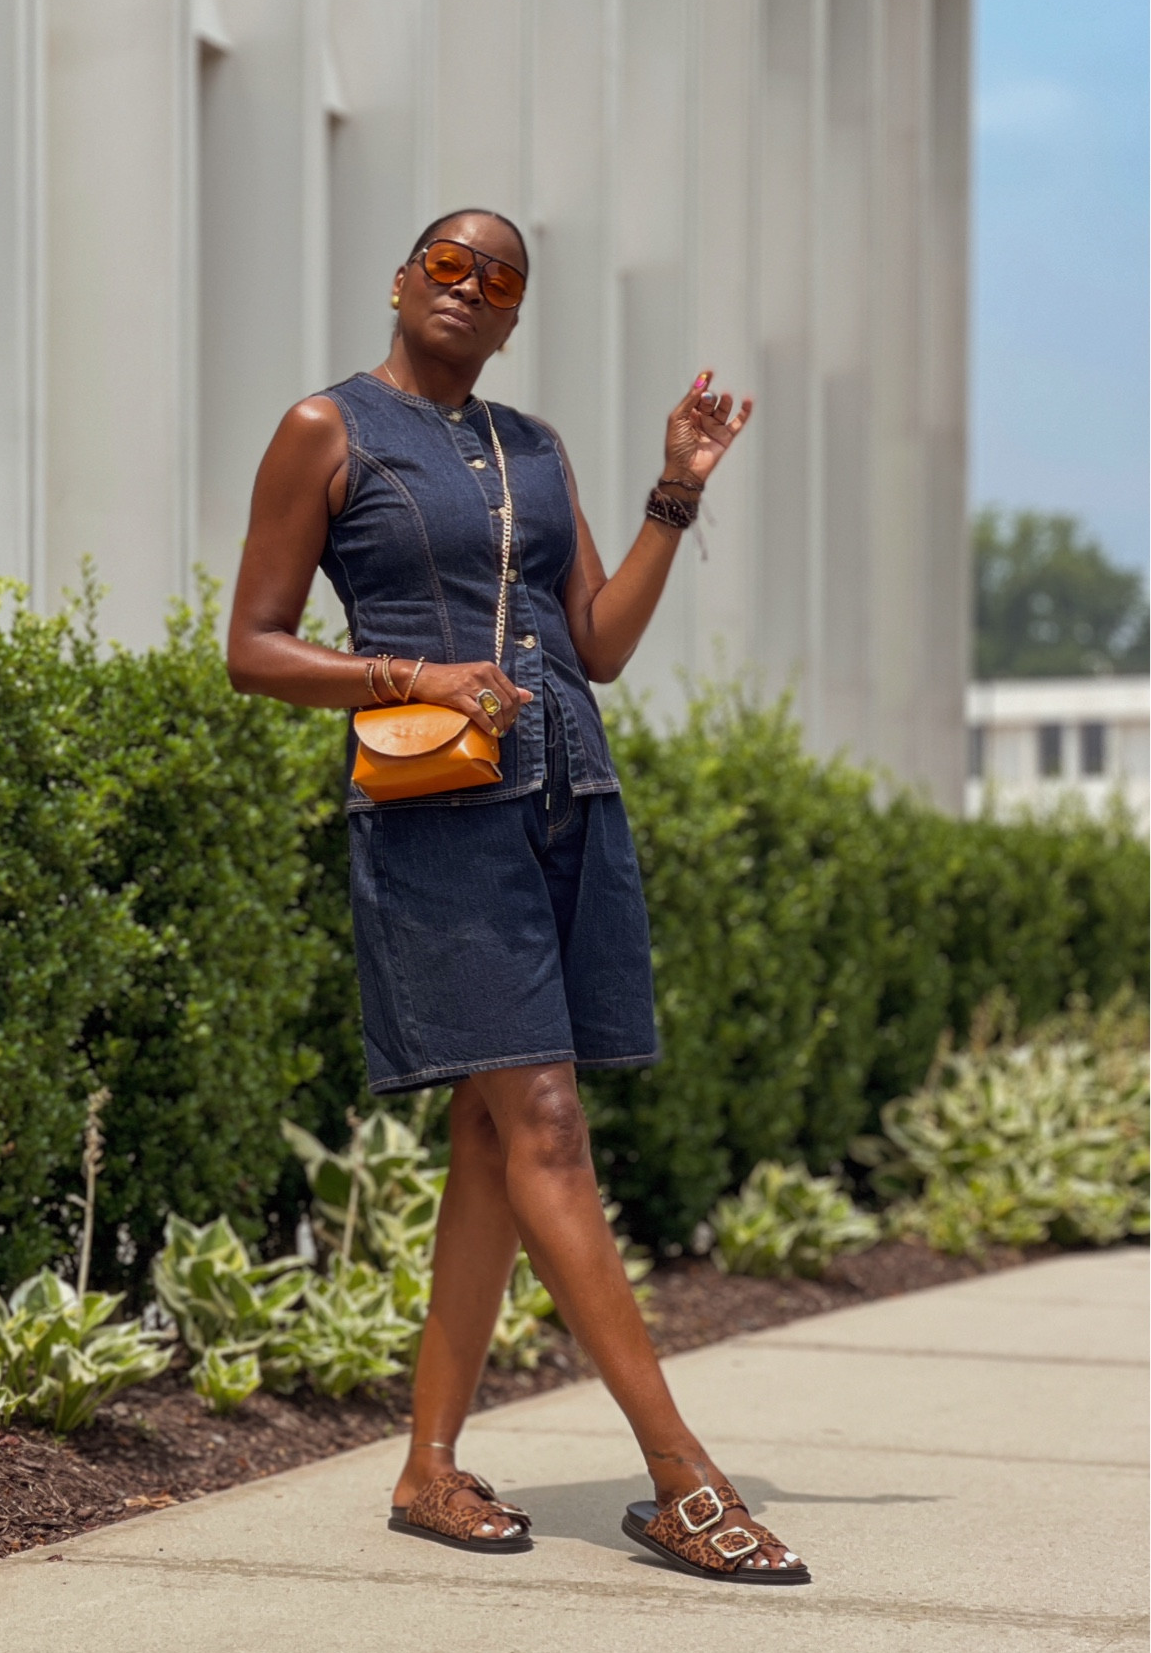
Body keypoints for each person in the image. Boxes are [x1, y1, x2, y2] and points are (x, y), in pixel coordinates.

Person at [226, 208, 807, 1583]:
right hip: (437, 816)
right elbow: (250, 648)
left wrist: (677, 491)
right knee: (543, 1121)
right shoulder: (327, 429)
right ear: (399, 280)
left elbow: (595, 644)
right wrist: (410, 675)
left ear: (513, 315)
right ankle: (681, 1476)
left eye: (500, 281)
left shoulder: (534, 449)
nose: (473, 289)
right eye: (449, 267)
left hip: (568, 801)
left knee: (498, 1142)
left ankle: (429, 1467)